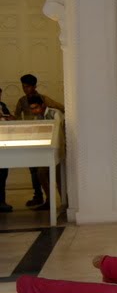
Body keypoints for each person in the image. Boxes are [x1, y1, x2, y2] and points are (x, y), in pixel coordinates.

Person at [14, 74, 64, 207]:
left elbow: (61, 108)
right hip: (31, 138)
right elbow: (17, 118)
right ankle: (39, 196)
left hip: (47, 139)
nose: (26, 89)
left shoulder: (44, 99)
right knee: (35, 171)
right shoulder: (21, 101)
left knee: (51, 173)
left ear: (34, 86)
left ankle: (54, 201)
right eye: (24, 87)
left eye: (28, 87)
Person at [28, 95, 64, 211]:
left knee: (59, 178)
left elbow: (59, 132)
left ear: (42, 105)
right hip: (46, 150)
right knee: (41, 173)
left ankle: (65, 203)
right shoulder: (37, 117)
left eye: (36, 107)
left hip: (58, 149)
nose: (34, 111)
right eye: (32, 108)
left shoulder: (55, 114)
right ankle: (49, 200)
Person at [0, 87, 13, 213]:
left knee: (2, 174)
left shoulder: (2, 106)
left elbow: (9, 119)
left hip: (3, 144)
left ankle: (1, 201)